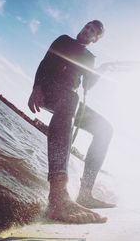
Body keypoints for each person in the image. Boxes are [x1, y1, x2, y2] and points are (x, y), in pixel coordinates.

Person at [28, 20, 115, 224]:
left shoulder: (89, 57)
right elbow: (45, 62)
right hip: (50, 90)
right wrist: (36, 87)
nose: (87, 31)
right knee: (70, 98)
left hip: (70, 101)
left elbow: (88, 85)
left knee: (105, 129)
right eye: (87, 27)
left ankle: (85, 193)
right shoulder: (64, 40)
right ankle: (58, 194)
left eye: (92, 32)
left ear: (95, 39)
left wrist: (103, 68)